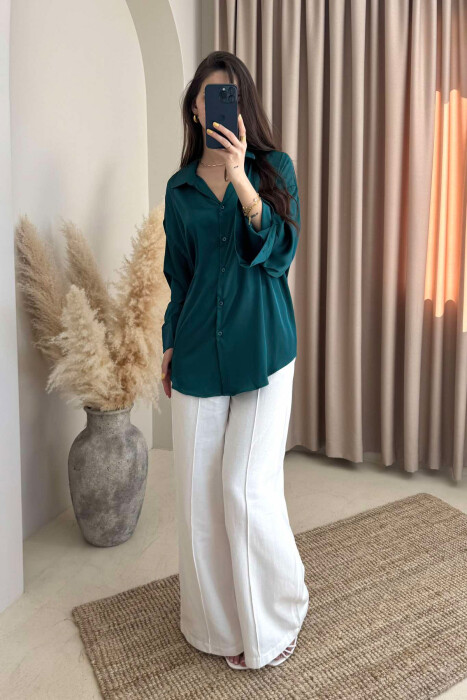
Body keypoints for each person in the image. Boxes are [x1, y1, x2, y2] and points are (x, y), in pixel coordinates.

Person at [160, 50, 309, 670]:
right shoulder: (180, 189)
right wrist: (170, 341)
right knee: (198, 497)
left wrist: (243, 179)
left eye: (230, 95)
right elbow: (180, 277)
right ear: (196, 107)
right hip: (197, 350)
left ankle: (277, 618)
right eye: (207, 94)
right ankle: (214, 629)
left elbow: (281, 253)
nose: (217, 104)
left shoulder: (275, 169)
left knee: (245, 489)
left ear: (242, 105)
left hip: (265, 349)